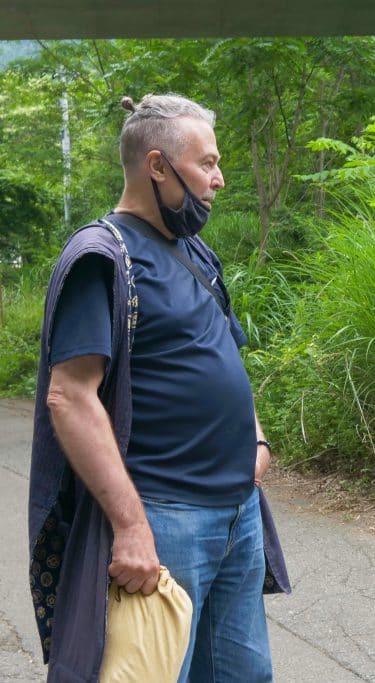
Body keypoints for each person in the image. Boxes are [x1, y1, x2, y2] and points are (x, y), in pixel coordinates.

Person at [28, 93, 290, 682]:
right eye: (207, 164)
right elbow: (70, 396)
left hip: (237, 512)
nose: (219, 180)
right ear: (157, 166)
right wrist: (130, 526)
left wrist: (257, 442)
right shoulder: (103, 257)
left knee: (244, 675)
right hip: (165, 518)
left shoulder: (194, 250)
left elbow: (224, 352)